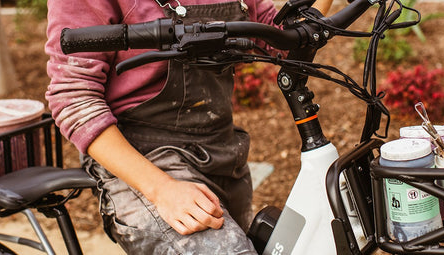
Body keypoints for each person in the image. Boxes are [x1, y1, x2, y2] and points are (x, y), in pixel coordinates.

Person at [44, 0, 331, 253]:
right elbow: (74, 98)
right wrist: (161, 189)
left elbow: (282, 39)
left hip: (222, 153)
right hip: (144, 163)